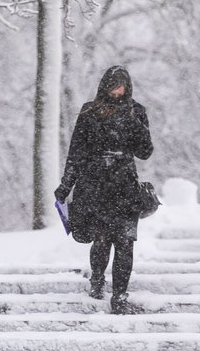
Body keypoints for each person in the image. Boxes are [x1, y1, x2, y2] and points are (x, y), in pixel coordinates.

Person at [54, 65, 154, 315]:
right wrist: (66, 185)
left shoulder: (136, 111)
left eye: (121, 86)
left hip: (125, 186)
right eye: (113, 85)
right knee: (101, 239)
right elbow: (76, 152)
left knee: (125, 242)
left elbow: (145, 152)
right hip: (95, 185)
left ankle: (120, 296)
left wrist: (133, 122)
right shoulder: (90, 112)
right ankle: (97, 280)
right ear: (104, 86)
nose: (117, 91)